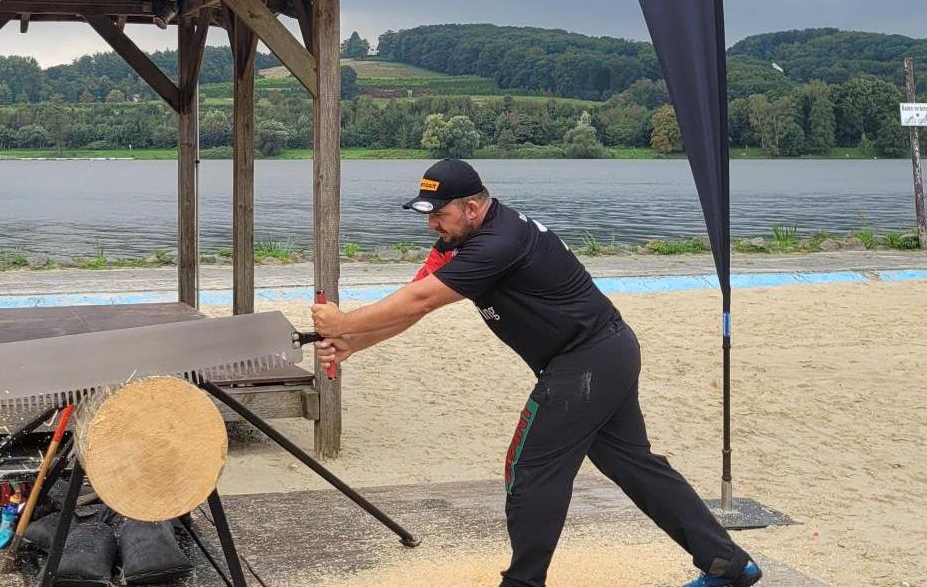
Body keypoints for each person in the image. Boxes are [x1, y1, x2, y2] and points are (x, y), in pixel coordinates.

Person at [310, 159, 760, 587]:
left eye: (439, 214)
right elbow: (415, 302)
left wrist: (344, 322)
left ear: (472, 207)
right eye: (426, 215)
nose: (432, 225)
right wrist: (355, 342)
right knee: (635, 467)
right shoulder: (459, 242)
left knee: (529, 467)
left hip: (588, 360)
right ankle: (730, 564)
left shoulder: (499, 241)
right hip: (602, 354)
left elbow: (421, 302)